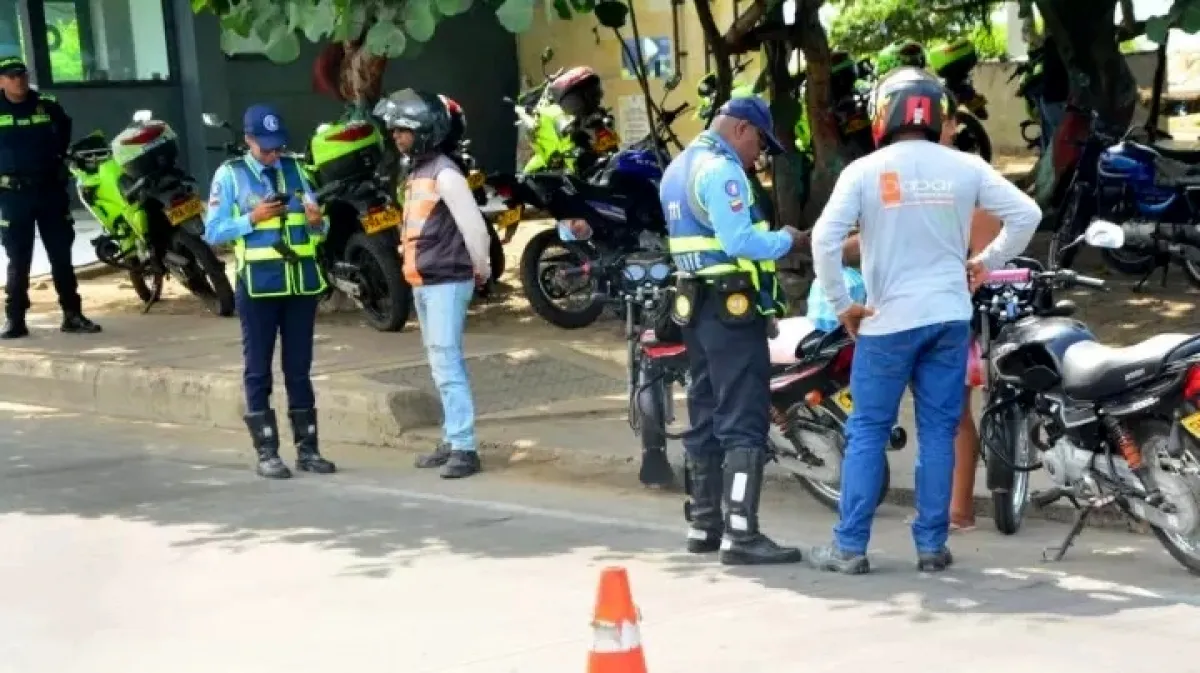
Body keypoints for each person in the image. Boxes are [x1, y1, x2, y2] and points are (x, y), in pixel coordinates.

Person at [808, 67, 1040, 574]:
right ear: (937, 115)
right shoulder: (965, 167)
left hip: (886, 321)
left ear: (883, 113)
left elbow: (824, 240)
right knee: (938, 431)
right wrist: (987, 262)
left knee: (868, 430)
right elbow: (1028, 215)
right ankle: (932, 546)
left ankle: (850, 547)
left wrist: (841, 302)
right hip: (948, 318)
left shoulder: (864, 171)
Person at [660, 95, 810, 566]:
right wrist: (787, 239)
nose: (758, 156)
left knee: (705, 413)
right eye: (760, 144)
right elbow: (740, 241)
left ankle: (705, 524)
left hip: (696, 311)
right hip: (730, 313)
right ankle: (742, 534)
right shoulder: (721, 171)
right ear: (743, 129)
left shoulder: (677, 168)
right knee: (743, 420)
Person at [203, 103, 336, 480]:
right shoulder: (230, 175)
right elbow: (213, 232)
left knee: (299, 369)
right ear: (248, 140)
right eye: (266, 147)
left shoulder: (296, 170)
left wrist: (317, 222)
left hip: (300, 285)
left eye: (278, 146)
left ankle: (308, 450)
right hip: (259, 287)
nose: (273, 154)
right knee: (258, 369)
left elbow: (318, 231)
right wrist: (252, 218)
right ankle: (267, 453)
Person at [374, 88, 491, 479]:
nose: (396, 136)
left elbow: (475, 228)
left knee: (447, 362)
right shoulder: (418, 171)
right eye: (394, 130)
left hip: (446, 280)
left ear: (424, 131)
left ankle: (465, 447)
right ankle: (452, 437)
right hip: (424, 280)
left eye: (403, 130)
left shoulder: (445, 172)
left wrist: (481, 269)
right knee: (440, 363)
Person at [0, 56, 100, 338]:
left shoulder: (48, 105)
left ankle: (72, 314)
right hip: (14, 195)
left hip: (50, 191)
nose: (19, 80)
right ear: (1, 81)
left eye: (22, 74)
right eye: (11, 76)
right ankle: (15, 319)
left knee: (61, 255)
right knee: (18, 258)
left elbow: (63, 134)